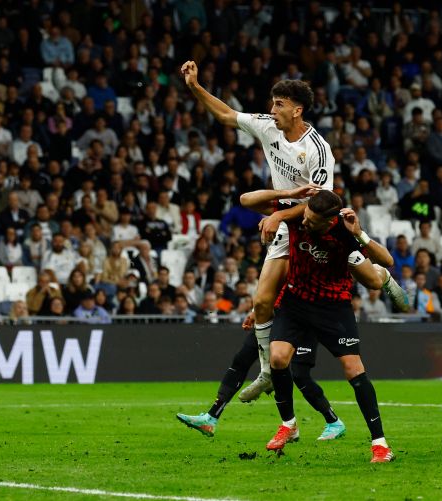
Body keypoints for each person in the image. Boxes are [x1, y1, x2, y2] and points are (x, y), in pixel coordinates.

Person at [181, 60, 408, 402]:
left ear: (298, 110)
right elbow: (227, 115)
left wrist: (277, 216)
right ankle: (266, 373)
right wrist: (195, 87)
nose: (272, 110)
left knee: (372, 281)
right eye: (273, 103)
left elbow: (323, 202)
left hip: (320, 224)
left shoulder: (318, 150)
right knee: (260, 302)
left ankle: (383, 277)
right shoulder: (268, 126)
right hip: (290, 225)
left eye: (280, 104)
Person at [260, 189, 394, 462]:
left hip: (333, 306)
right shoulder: (298, 218)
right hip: (296, 301)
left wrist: (360, 234)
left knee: (353, 368)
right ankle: (289, 424)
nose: (306, 223)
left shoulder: (345, 233)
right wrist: (278, 213)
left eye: (312, 220)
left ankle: (380, 444)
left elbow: (387, 259)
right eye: (305, 215)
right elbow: (247, 200)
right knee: (277, 357)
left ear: (328, 220)